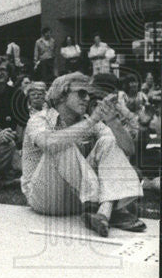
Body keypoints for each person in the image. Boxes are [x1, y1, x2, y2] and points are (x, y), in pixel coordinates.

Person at [21, 72, 145, 236]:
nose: (87, 98)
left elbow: (129, 149)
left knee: (109, 141)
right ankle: (112, 208)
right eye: (81, 93)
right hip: (44, 197)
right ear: (62, 95)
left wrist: (113, 121)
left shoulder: (86, 119)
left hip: (79, 199)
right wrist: (92, 121)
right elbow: (48, 143)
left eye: (89, 94)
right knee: (61, 142)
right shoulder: (39, 119)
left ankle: (103, 212)